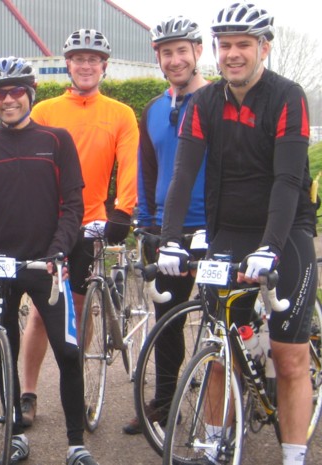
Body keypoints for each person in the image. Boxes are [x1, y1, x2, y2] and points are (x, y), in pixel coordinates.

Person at [157, 4, 317, 464]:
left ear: (263, 48)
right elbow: (183, 176)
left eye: (243, 44)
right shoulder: (204, 103)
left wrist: (270, 247)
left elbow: (288, 180)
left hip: (285, 233)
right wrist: (171, 238)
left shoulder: (287, 97)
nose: (233, 54)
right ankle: (212, 445)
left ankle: (293, 455)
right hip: (227, 232)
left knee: (289, 358)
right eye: (225, 45)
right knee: (218, 343)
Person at [0, 56, 99, 465]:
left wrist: (59, 249)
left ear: (30, 94)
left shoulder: (57, 140)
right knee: (2, 344)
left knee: (67, 351)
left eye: (16, 92)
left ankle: (75, 442)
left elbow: (72, 205)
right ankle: (11, 431)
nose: (8, 100)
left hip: (45, 265)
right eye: (0, 94)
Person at [20, 28, 139, 426]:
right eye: (78, 59)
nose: (86, 65)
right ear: (67, 64)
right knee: (40, 311)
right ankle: (28, 392)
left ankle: (79, 382)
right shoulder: (46, 110)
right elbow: (25, 161)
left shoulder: (120, 114)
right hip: (48, 223)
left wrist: (123, 210)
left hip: (91, 223)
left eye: (93, 59)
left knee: (82, 311)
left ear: (104, 66)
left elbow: (130, 164)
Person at [121, 15, 209, 435]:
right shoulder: (155, 108)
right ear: (157, 58)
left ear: (198, 53)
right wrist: (145, 221)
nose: (174, 60)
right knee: (167, 321)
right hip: (166, 232)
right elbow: (147, 168)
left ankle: (223, 409)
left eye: (181, 51)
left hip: (213, 228)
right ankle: (165, 402)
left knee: (219, 321)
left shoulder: (219, 100)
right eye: (166, 52)